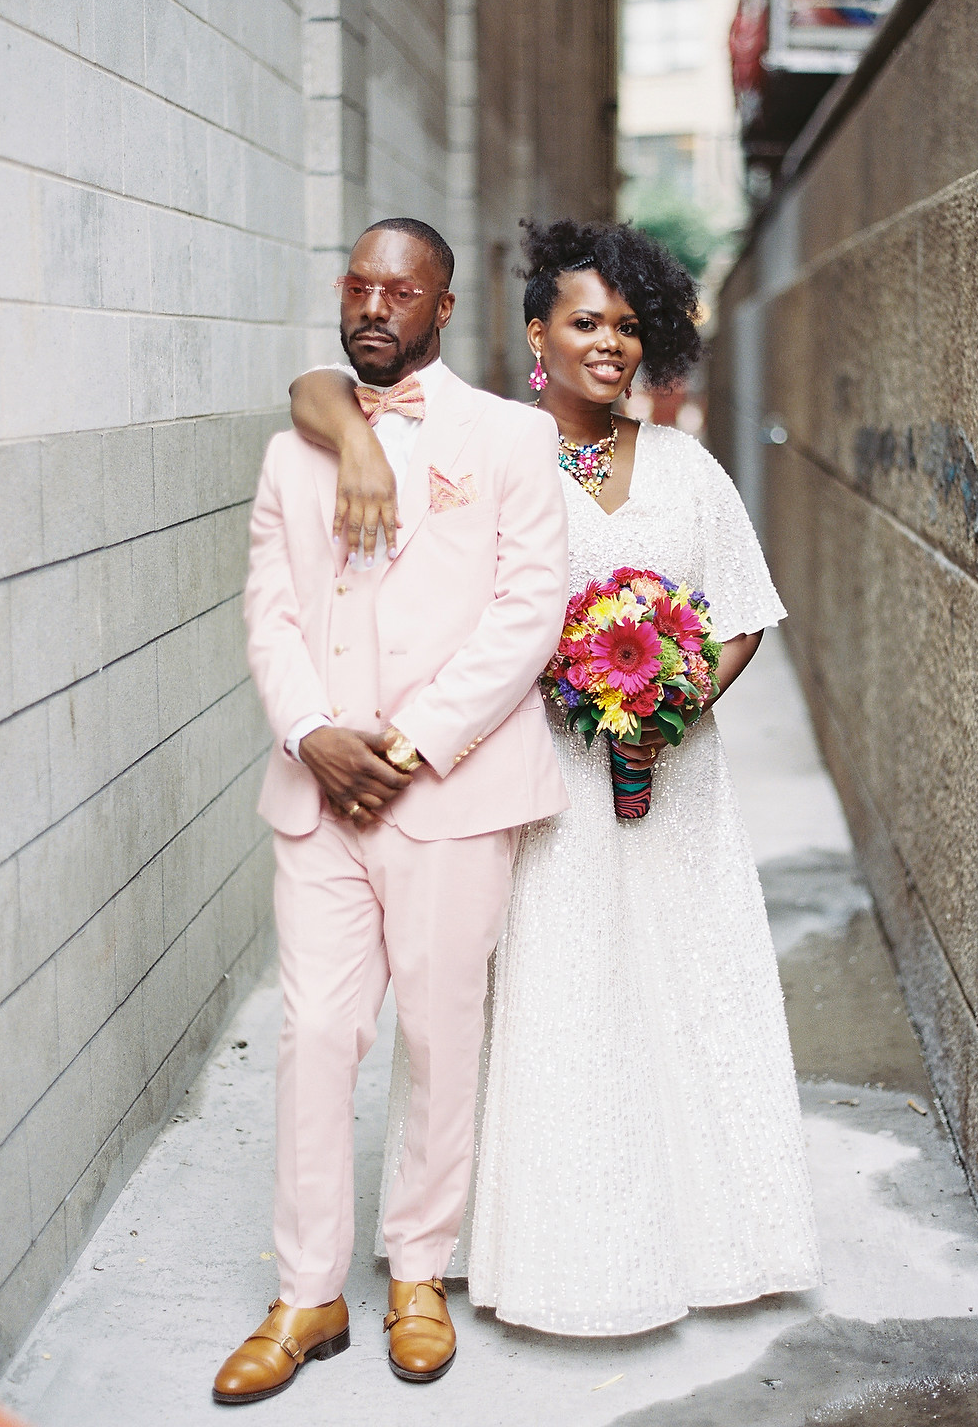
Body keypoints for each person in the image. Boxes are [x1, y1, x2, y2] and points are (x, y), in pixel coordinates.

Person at [289, 218, 821, 1338]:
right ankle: (529, 1245)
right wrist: (358, 438)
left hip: (670, 787)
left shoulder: (687, 468)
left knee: (683, 991)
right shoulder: (481, 448)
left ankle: (710, 1234)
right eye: (585, 322)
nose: (611, 345)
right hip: (540, 785)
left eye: (630, 327)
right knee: (556, 1001)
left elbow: (742, 616)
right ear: (536, 332)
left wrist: (673, 707)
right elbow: (320, 392)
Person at [215, 218, 569, 1402]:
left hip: (448, 792)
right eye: (358, 287)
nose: (375, 307)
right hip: (319, 794)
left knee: (437, 1034)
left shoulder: (511, 439)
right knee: (316, 1035)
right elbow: (268, 608)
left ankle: (417, 1269)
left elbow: (528, 613)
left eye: (400, 292)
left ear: (442, 307)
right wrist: (311, 731)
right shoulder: (291, 454)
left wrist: (408, 745)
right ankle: (307, 1290)